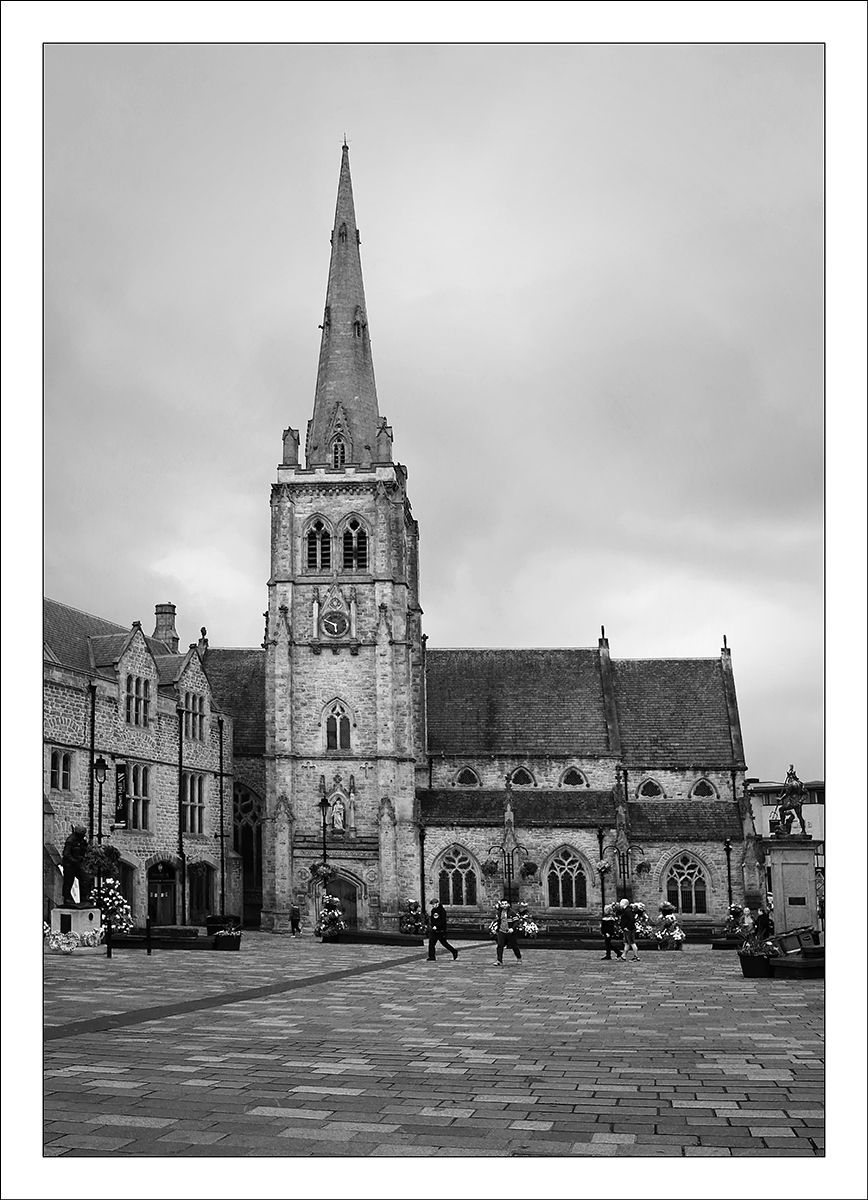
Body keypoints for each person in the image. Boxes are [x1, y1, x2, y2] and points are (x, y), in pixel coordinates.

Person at [493, 899, 522, 966]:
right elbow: (498, 921)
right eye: (502, 904)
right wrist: (497, 928)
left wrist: (512, 928)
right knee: (500, 946)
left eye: (505, 904)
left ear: (508, 904)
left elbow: (516, 921)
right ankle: (499, 960)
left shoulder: (512, 912)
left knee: (514, 946)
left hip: (510, 932)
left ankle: (519, 958)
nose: (504, 905)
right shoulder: (499, 912)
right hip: (501, 931)